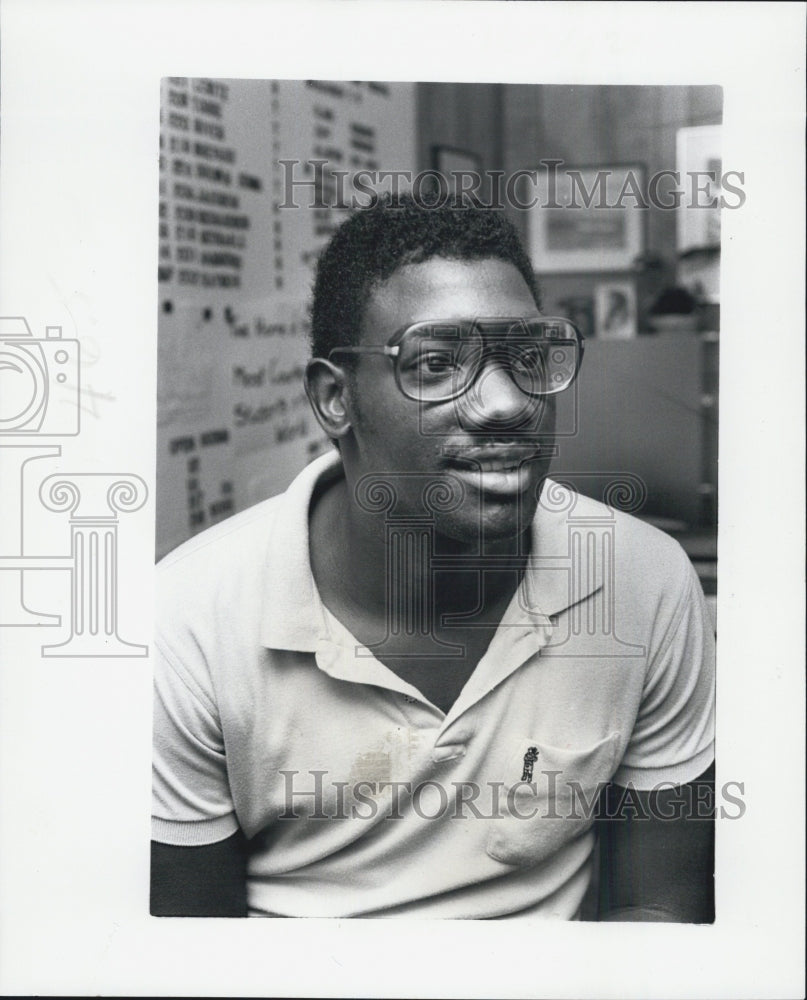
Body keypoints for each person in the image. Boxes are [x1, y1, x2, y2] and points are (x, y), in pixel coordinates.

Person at [151, 195, 715, 920]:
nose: (506, 404)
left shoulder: (642, 582)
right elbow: (190, 956)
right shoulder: (186, 625)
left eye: (527, 357)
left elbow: (660, 915)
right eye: (438, 363)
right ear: (335, 399)